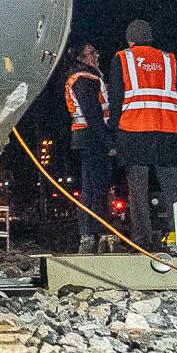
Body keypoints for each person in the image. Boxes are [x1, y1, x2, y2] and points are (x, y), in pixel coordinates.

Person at [113, 17, 177, 243]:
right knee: (171, 186)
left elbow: (117, 97)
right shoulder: (168, 59)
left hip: (133, 130)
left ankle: (142, 238)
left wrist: (114, 131)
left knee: (137, 189)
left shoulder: (123, 58)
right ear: (151, 38)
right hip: (166, 130)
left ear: (130, 40)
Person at [58, 40, 117, 249]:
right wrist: (109, 142)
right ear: (81, 58)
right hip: (92, 139)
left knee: (93, 188)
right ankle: (94, 232)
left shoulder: (84, 78)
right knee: (95, 188)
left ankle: (92, 233)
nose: (97, 55)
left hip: (85, 138)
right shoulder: (85, 79)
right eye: (92, 52)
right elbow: (93, 114)